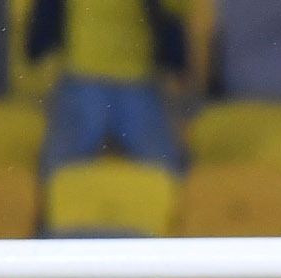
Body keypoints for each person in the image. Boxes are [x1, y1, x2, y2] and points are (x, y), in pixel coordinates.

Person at [30, 0, 188, 171]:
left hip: (131, 79)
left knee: (166, 169)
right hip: (87, 77)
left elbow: (173, 11)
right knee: (58, 170)